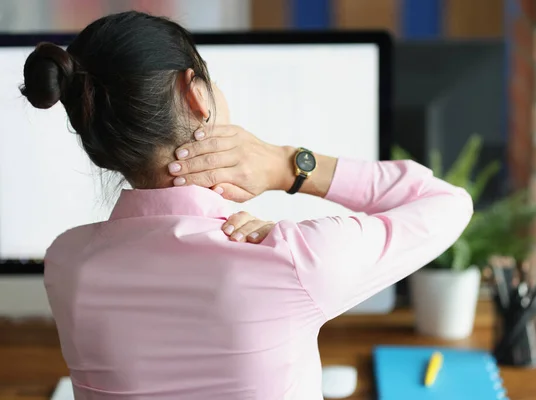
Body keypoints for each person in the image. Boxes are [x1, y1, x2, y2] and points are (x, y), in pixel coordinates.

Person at [21, 11, 473, 400]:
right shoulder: (290, 259)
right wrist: (287, 165)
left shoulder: (66, 262)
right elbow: (446, 203)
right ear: (195, 93)